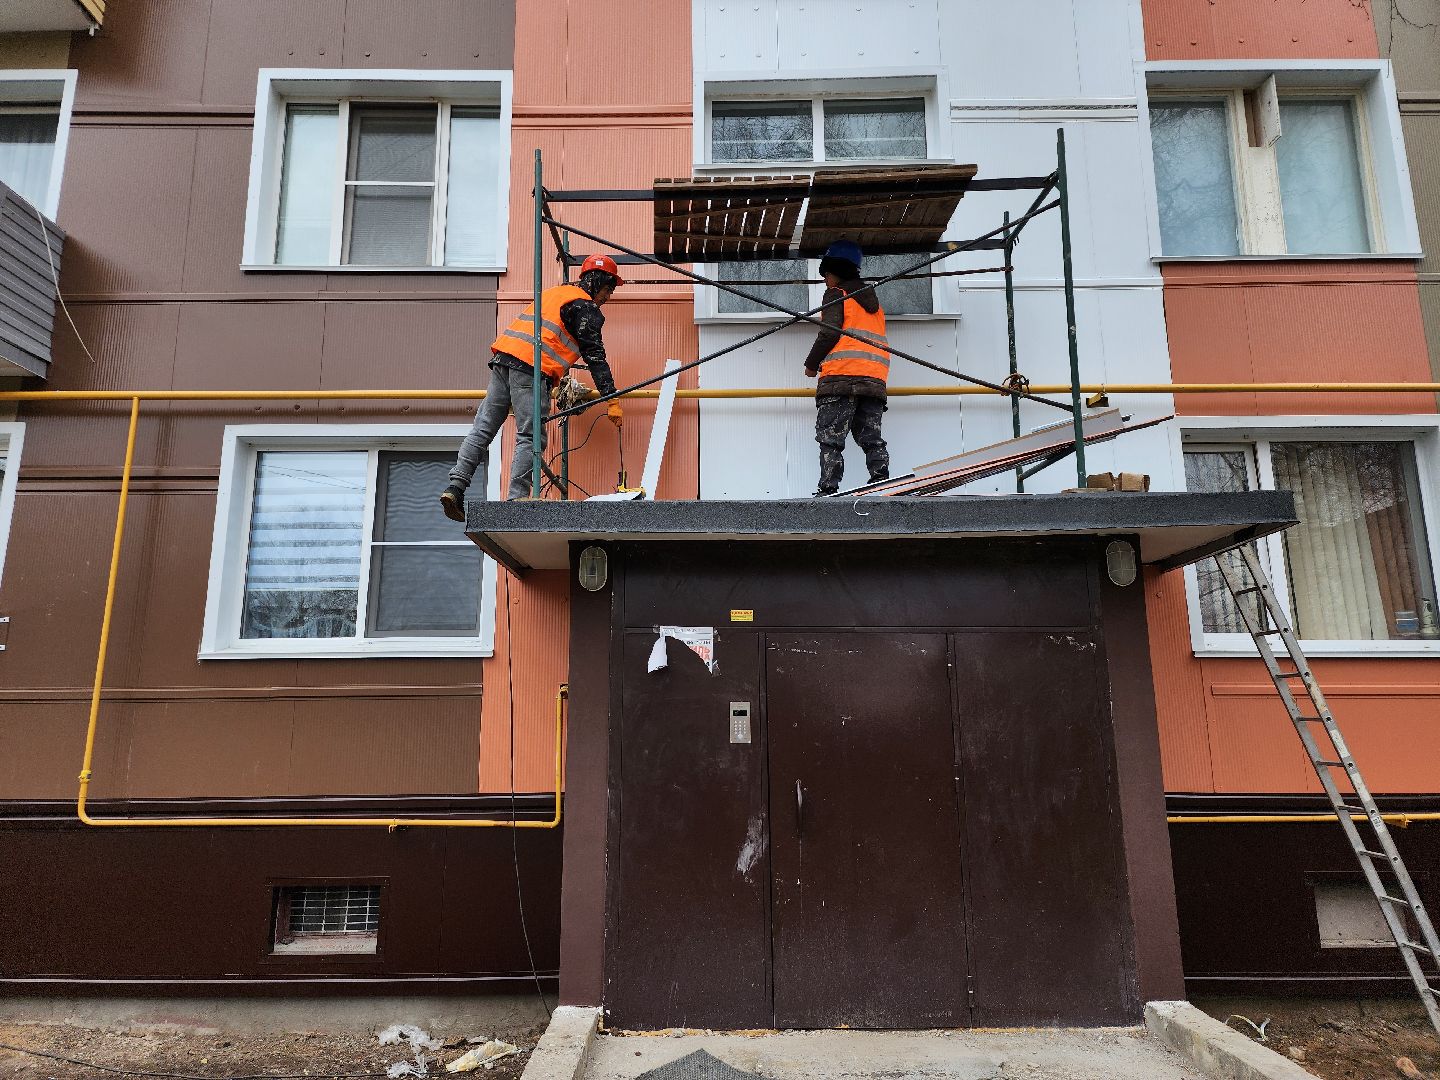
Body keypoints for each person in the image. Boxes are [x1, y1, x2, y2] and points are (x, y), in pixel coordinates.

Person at [441, 254, 625, 519]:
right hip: (530, 368)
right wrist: (612, 401)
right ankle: (517, 499)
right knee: (530, 436)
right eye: (608, 289)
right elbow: (596, 357)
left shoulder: (555, 294)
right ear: (597, 282)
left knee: (483, 429)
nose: (608, 296)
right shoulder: (585, 308)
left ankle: (455, 487)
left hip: (504, 360)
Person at [802, 239, 891, 496]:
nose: (825, 280)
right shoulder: (876, 307)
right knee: (871, 437)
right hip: (873, 383)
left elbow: (829, 334)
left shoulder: (837, 295)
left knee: (831, 438)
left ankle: (828, 489)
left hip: (840, 380)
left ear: (836, 271)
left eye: (827, 274)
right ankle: (882, 479)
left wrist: (810, 365)